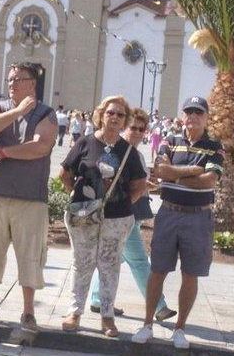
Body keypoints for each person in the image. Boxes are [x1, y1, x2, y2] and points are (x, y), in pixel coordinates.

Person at [133, 95, 225, 350]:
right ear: (182, 116)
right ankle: (147, 324)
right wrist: (192, 171)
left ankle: (180, 328)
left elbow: (209, 180)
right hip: (169, 213)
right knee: (157, 270)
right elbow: (160, 170)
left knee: (190, 273)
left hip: (198, 216)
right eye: (189, 112)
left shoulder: (215, 145)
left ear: (207, 117)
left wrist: (175, 176)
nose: (193, 117)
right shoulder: (169, 140)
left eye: (199, 113)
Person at [0, 62, 55, 330]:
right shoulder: (1, 107)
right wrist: (17, 111)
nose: (12, 84)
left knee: (29, 256)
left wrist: (4, 152)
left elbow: (39, 147)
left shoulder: (47, 113)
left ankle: (28, 312)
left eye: (18, 79)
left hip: (31, 198)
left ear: (33, 83)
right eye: (10, 79)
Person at [60, 95, 147, 338]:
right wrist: (81, 198)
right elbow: (65, 173)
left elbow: (140, 183)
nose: (115, 118)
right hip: (84, 215)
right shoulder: (85, 143)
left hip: (117, 217)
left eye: (120, 115)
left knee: (109, 265)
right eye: (111, 113)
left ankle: (107, 316)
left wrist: (124, 202)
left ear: (125, 120)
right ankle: (74, 312)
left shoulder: (128, 151)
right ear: (101, 114)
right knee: (82, 262)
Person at [86, 108, 176, 322]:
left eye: (141, 129)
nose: (136, 132)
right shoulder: (118, 152)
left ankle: (98, 299)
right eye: (132, 127)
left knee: (115, 259)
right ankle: (158, 306)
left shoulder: (135, 153)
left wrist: (146, 185)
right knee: (139, 261)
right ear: (124, 127)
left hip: (132, 216)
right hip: (123, 215)